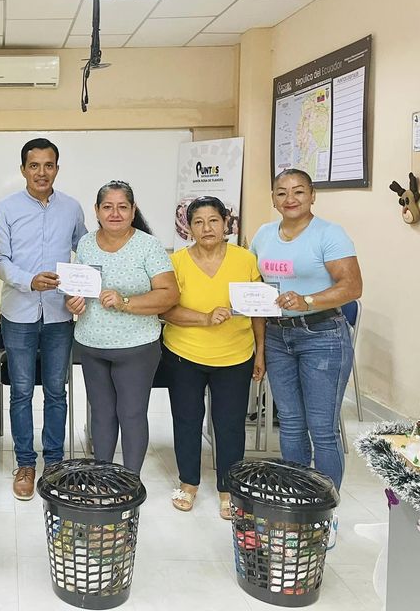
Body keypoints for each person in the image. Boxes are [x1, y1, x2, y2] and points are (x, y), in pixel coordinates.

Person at [250, 169, 362, 490]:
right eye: (281, 192)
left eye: (299, 191)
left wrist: (308, 300)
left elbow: (352, 286)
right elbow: (256, 288)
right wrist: (260, 347)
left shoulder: (329, 234)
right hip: (277, 335)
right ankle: (299, 498)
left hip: (322, 335)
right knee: (290, 423)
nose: (290, 199)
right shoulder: (263, 235)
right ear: (273, 199)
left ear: (313, 196)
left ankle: (325, 505)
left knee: (322, 428)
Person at [0, 138, 87, 500]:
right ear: (23, 170)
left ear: (57, 169)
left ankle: (55, 462)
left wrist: (82, 288)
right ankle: (25, 463)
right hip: (19, 311)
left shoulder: (72, 208)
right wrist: (28, 280)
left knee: (56, 391)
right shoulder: (6, 209)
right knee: (20, 391)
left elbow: (85, 250)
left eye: (49, 165)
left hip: (60, 313)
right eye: (34, 166)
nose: (41, 172)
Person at [159, 196, 265, 519]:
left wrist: (260, 351)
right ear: (188, 228)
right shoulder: (176, 262)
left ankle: (228, 488)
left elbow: (258, 309)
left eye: (214, 220)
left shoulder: (246, 260)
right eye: (198, 222)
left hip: (235, 355)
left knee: (230, 424)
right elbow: (166, 310)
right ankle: (188, 482)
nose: (207, 228)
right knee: (186, 420)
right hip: (184, 354)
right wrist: (205, 318)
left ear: (226, 223)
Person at [65, 182, 178, 475]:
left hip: (136, 348)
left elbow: (169, 294)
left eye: (122, 207)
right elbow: (77, 287)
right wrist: (72, 301)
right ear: (96, 211)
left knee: (131, 415)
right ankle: (105, 478)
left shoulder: (148, 245)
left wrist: (125, 302)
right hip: (91, 345)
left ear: (133, 210)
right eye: (107, 207)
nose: (115, 213)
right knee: (101, 415)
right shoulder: (86, 243)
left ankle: (130, 481)